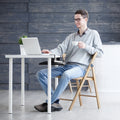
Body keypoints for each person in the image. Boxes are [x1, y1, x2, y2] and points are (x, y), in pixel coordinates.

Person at [34, 9, 103, 112]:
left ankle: (49, 103)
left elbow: (100, 53)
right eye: (75, 20)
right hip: (67, 66)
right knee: (41, 74)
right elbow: (60, 49)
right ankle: (55, 101)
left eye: (79, 19)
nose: (76, 22)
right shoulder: (71, 37)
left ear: (86, 19)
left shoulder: (93, 34)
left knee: (66, 74)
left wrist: (86, 46)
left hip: (81, 67)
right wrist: (50, 52)